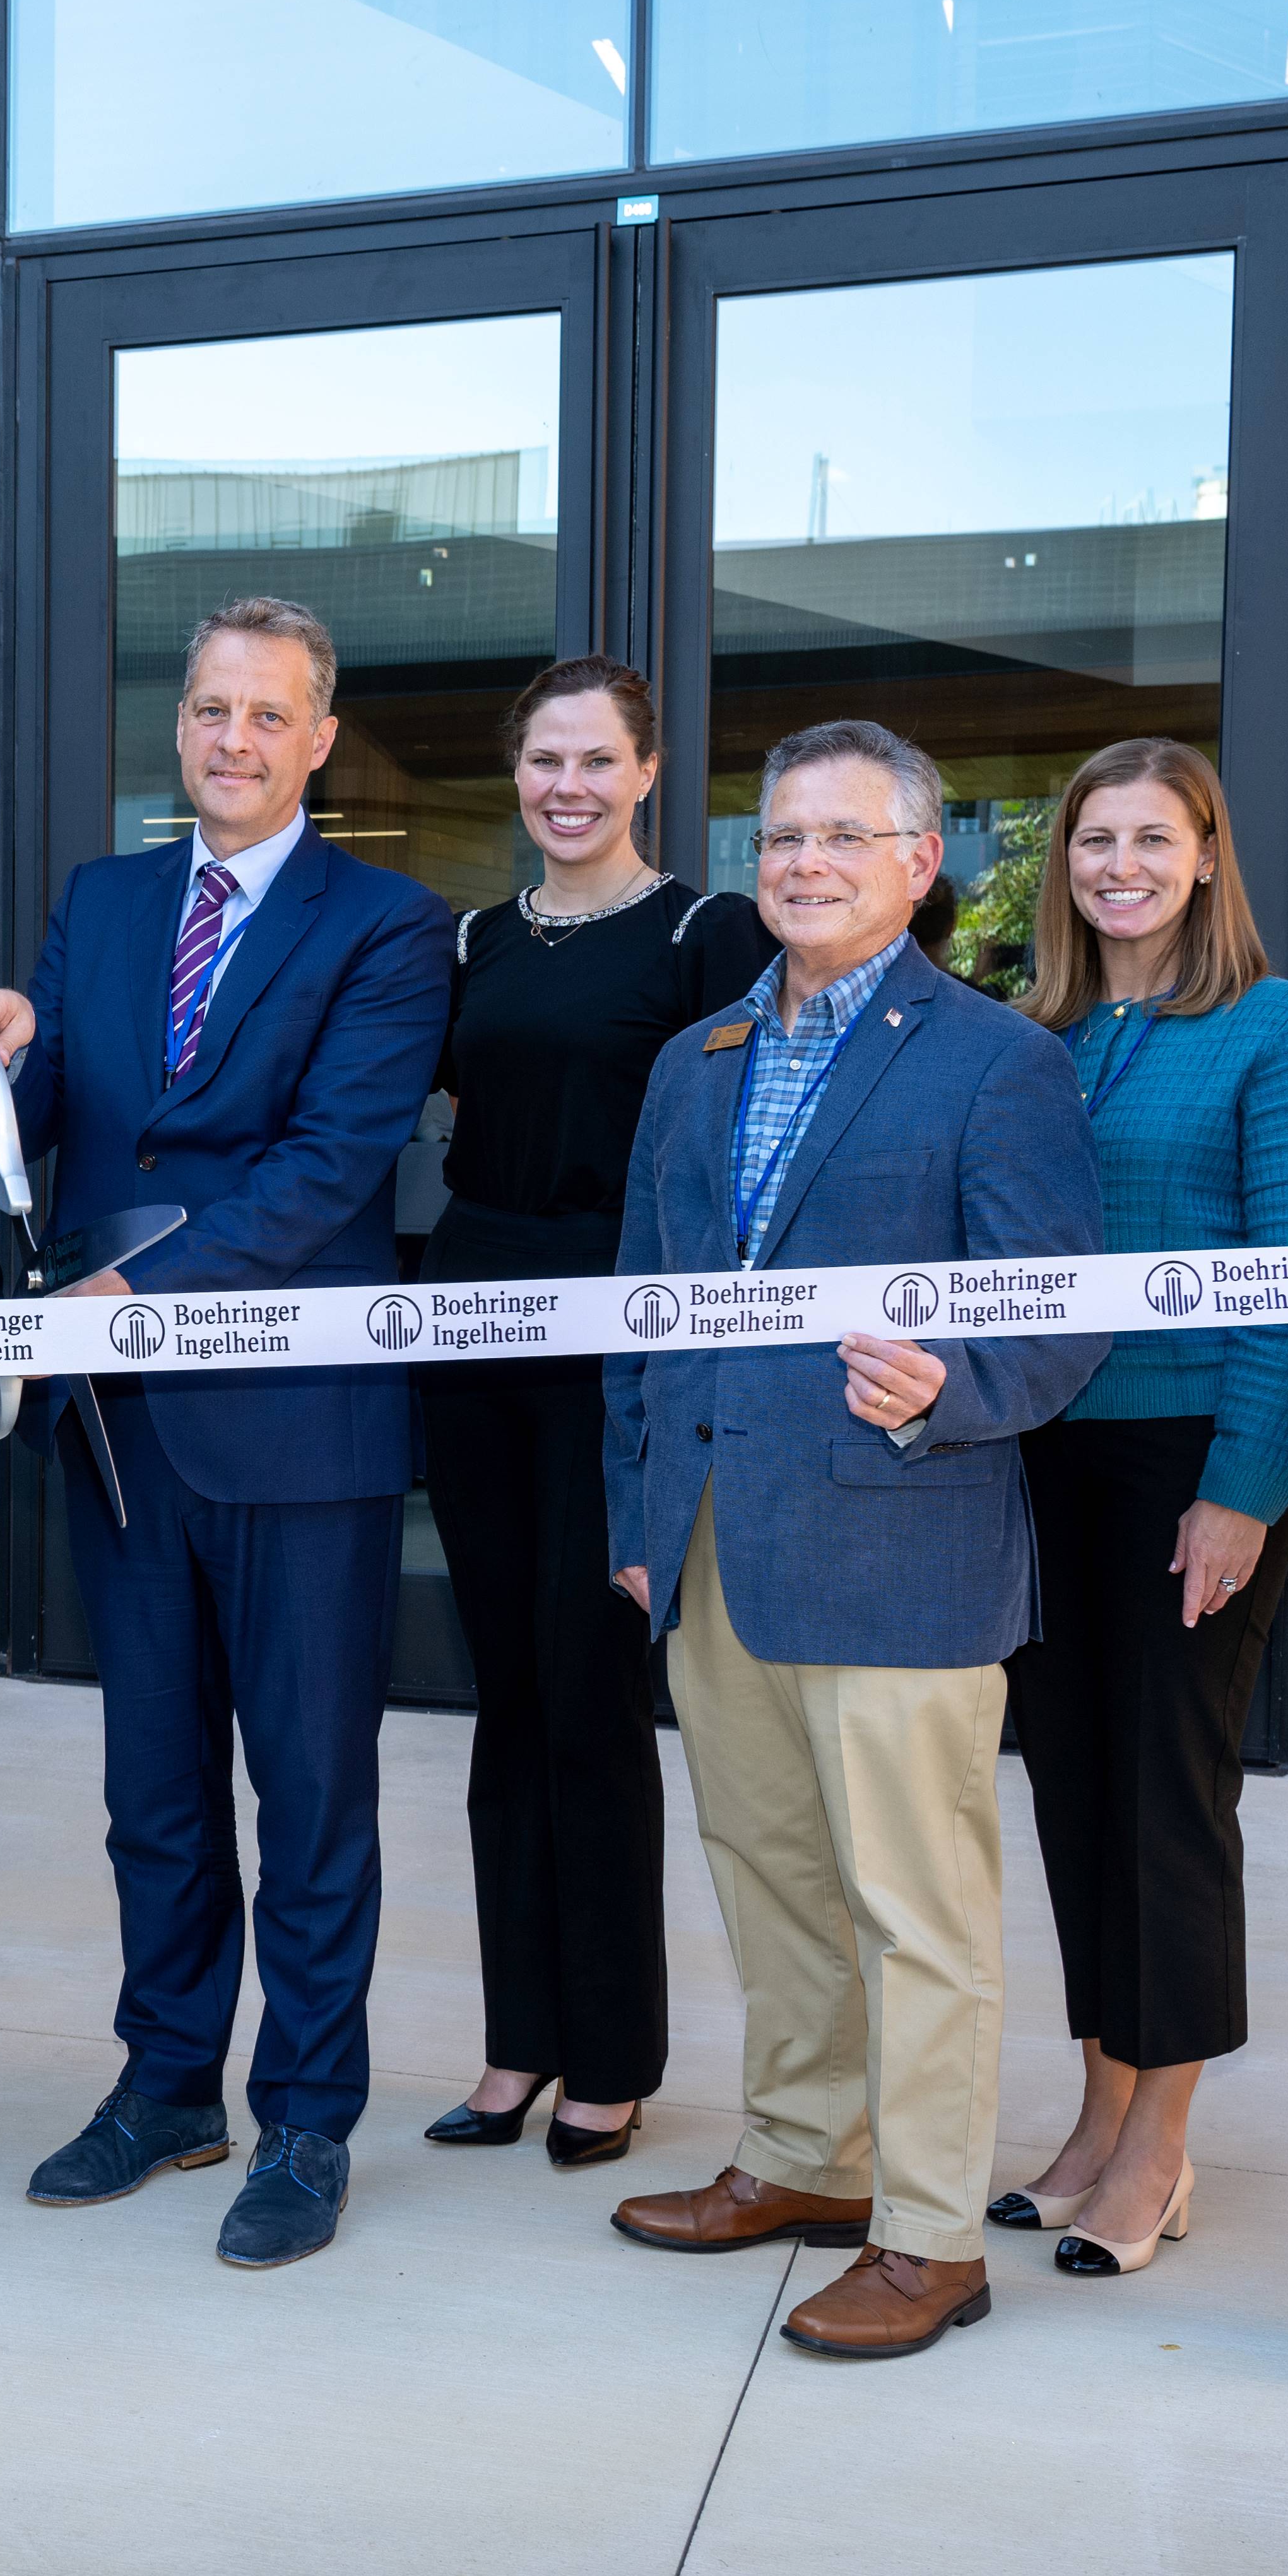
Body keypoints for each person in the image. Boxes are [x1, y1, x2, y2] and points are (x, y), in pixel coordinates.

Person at [0, 593, 458, 2270]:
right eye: (209, 709)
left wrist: (125, 1298)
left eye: (264, 715)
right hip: (126, 1429)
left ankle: (304, 2116)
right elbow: (67, 1096)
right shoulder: (104, 899)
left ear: (317, 740)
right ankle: (168, 2083)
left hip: (300, 1427)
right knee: (152, 1787)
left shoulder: (389, 926)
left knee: (308, 1793)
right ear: (185, 728)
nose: (230, 738)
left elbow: (330, 1166)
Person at [598, 720, 1104, 2363]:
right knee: (772, 1879)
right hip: (717, 1535)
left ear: (918, 863)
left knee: (918, 1905)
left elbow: (1059, 1314)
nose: (805, 862)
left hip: (904, 1536)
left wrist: (956, 1386)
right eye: (784, 836)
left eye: (842, 835)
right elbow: (647, 1311)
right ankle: (812, 2161)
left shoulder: (994, 1059)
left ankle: (933, 2234)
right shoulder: (699, 1058)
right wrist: (636, 1516)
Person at [986, 740, 1288, 2278]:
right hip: (1038, 1466)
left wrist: (1241, 1492)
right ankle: (1094, 2108)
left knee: (1168, 1803)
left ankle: (1161, 2144)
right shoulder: (1033, 1033)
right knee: (1072, 1796)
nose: (1116, 864)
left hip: (1189, 1462)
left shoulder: (1276, 1028)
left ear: (1204, 854)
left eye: (1149, 837)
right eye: (1090, 839)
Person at [413, 659, 769, 2173]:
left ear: (644, 772)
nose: (566, 783)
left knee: (593, 1692)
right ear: (519, 774)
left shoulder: (708, 936)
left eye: (595, 759)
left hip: (618, 1330)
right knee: (503, 1692)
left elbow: (736, 1150)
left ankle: (610, 2056)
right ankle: (517, 2042)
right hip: (471, 1318)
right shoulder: (473, 942)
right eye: (542, 757)